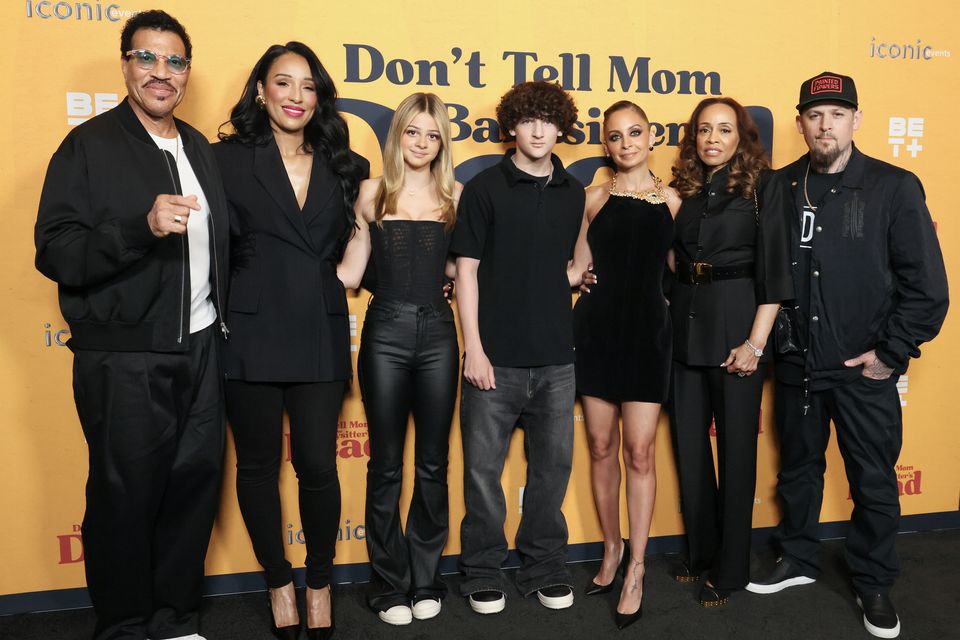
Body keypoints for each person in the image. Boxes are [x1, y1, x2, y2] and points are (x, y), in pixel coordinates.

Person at [34, 10, 228, 640]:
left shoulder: (199, 147)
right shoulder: (88, 147)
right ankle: (123, 626)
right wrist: (138, 229)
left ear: (186, 72)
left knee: (192, 487)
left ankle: (174, 620)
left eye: (174, 61)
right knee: (124, 497)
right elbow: (55, 251)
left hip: (200, 349)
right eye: (147, 58)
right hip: (125, 358)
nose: (161, 72)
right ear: (125, 65)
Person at [746, 72, 948, 640]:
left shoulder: (893, 186)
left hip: (863, 370)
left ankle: (874, 580)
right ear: (801, 123)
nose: (825, 124)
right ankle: (798, 558)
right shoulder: (779, 186)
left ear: (856, 120)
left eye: (837, 113)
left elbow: (927, 287)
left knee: (874, 480)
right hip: (797, 366)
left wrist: (891, 353)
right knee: (800, 471)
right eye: (814, 115)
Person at [212, 42, 367, 640]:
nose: (296, 96)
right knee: (255, 467)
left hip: (319, 326)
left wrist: (346, 271)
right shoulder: (225, 160)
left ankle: (320, 582)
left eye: (308, 86)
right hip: (248, 327)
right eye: (284, 83)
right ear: (261, 91)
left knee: (317, 466)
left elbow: (361, 236)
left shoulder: (343, 163)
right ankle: (278, 580)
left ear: (319, 97)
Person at [451, 80, 584, 615]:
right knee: (483, 475)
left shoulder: (573, 191)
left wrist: (576, 277)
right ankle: (483, 569)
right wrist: (474, 349)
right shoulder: (484, 188)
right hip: (495, 359)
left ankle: (544, 566)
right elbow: (467, 272)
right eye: (527, 120)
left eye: (547, 121)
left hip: (556, 357)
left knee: (551, 473)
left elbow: (567, 262)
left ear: (560, 128)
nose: (537, 130)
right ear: (511, 125)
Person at [337, 92, 461, 626]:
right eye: (414, 132)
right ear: (399, 135)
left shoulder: (457, 195)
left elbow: (467, 271)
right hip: (384, 329)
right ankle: (389, 582)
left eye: (433, 135)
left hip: (438, 333)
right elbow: (348, 272)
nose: (422, 143)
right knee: (386, 464)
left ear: (441, 144)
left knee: (433, 463)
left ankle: (426, 577)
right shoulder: (370, 194)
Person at [666, 97, 792, 608]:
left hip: (739, 327)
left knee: (737, 453)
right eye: (703, 130)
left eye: (723, 129)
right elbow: (672, 258)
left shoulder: (766, 187)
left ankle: (731, 569)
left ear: (742, 136)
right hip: (685, 325)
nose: (712, 138)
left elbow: (777, 272)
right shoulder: (685, 191)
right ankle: (701, 552)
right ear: (693, 137)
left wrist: (755, 343)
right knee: (689, 451)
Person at [569, 101, 680, 629]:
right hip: (596, 333)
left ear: (652, 137)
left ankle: (637, 566)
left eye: (635, 132)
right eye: (615, 136)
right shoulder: (591, 200)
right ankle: (611, 549)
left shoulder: (675, 203)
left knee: (639, 452)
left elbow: (680, 277)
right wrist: (576, 278)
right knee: (600, 446)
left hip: (647, 337)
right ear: (606, 144)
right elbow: (576, 268)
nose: (626, 142)